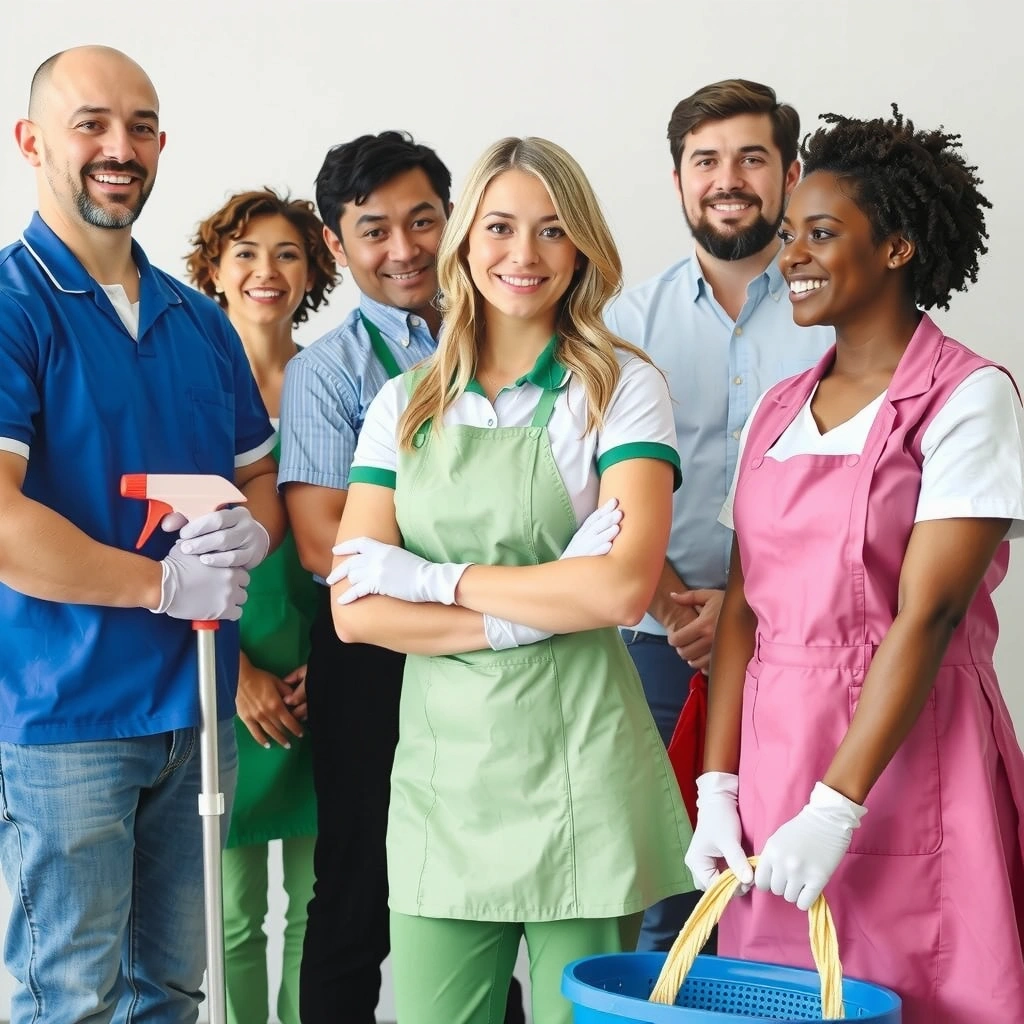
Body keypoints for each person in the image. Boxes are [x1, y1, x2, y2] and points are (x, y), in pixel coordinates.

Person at [327, 135, 693, 1024]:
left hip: (583, 777)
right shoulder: (403, 403)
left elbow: (618, 593)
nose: (523, 256)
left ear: (583, 250)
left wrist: (428, 578)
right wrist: (532, 606)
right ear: (463, 241)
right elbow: (356, 610)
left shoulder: (621, 389)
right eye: (499, 227)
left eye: (552, 230)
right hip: (443, 787)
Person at [686, 107, 1024, 1023]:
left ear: (900, 247)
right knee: (786, 999)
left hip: (912, 755)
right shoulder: (778, 409)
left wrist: (837, 806)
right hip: (772, 757)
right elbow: (743, 614)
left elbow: (931, 616)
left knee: (922, 991)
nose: (791, 254)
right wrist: (719, 787)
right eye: (790, 234)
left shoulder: (968, 399)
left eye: (822, 234)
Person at [0, 46, 284, 1024]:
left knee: (168, 992)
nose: (120, 147)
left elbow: (256, 476)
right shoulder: (13, 308)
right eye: (92, 124)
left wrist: (250, 536)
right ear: (32, 141)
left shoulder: (198, 323)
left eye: (141, 125)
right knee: (70, 997)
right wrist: (160, 586)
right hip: (65, 718)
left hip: (196, 710)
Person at [278, 131, 525, 1024]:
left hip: (511, 643)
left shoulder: (515, 333)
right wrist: (477, 573)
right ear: (336, 247)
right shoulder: (326, 371)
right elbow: (319, 542)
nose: (406, 249)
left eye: (424, 221)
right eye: (374, 230)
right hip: (375, 651)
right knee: (358, 888)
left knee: (499, 881)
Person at [604, 78, 832, 951]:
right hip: (661, 647)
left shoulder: (841, 311)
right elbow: (591, 490)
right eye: (706, 160)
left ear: (790, 172)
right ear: (677, 180)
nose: (727, 178)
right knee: (667, 887)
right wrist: (671, 603)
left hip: (803, 648)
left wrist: (748, 616)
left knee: (797, 881)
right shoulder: (626, 322)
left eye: (750, 157)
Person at [186, 188, 338, 1024]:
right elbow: (163, 542)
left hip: (325, 665)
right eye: (244, 252)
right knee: (235, 913)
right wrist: (233, 669)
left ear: (313, 268)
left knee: (322, 905)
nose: (264, 271)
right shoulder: (190, 387)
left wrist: (340, 664)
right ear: (214, 269)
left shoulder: (336, 380)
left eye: (286, 252)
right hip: (223, 672)